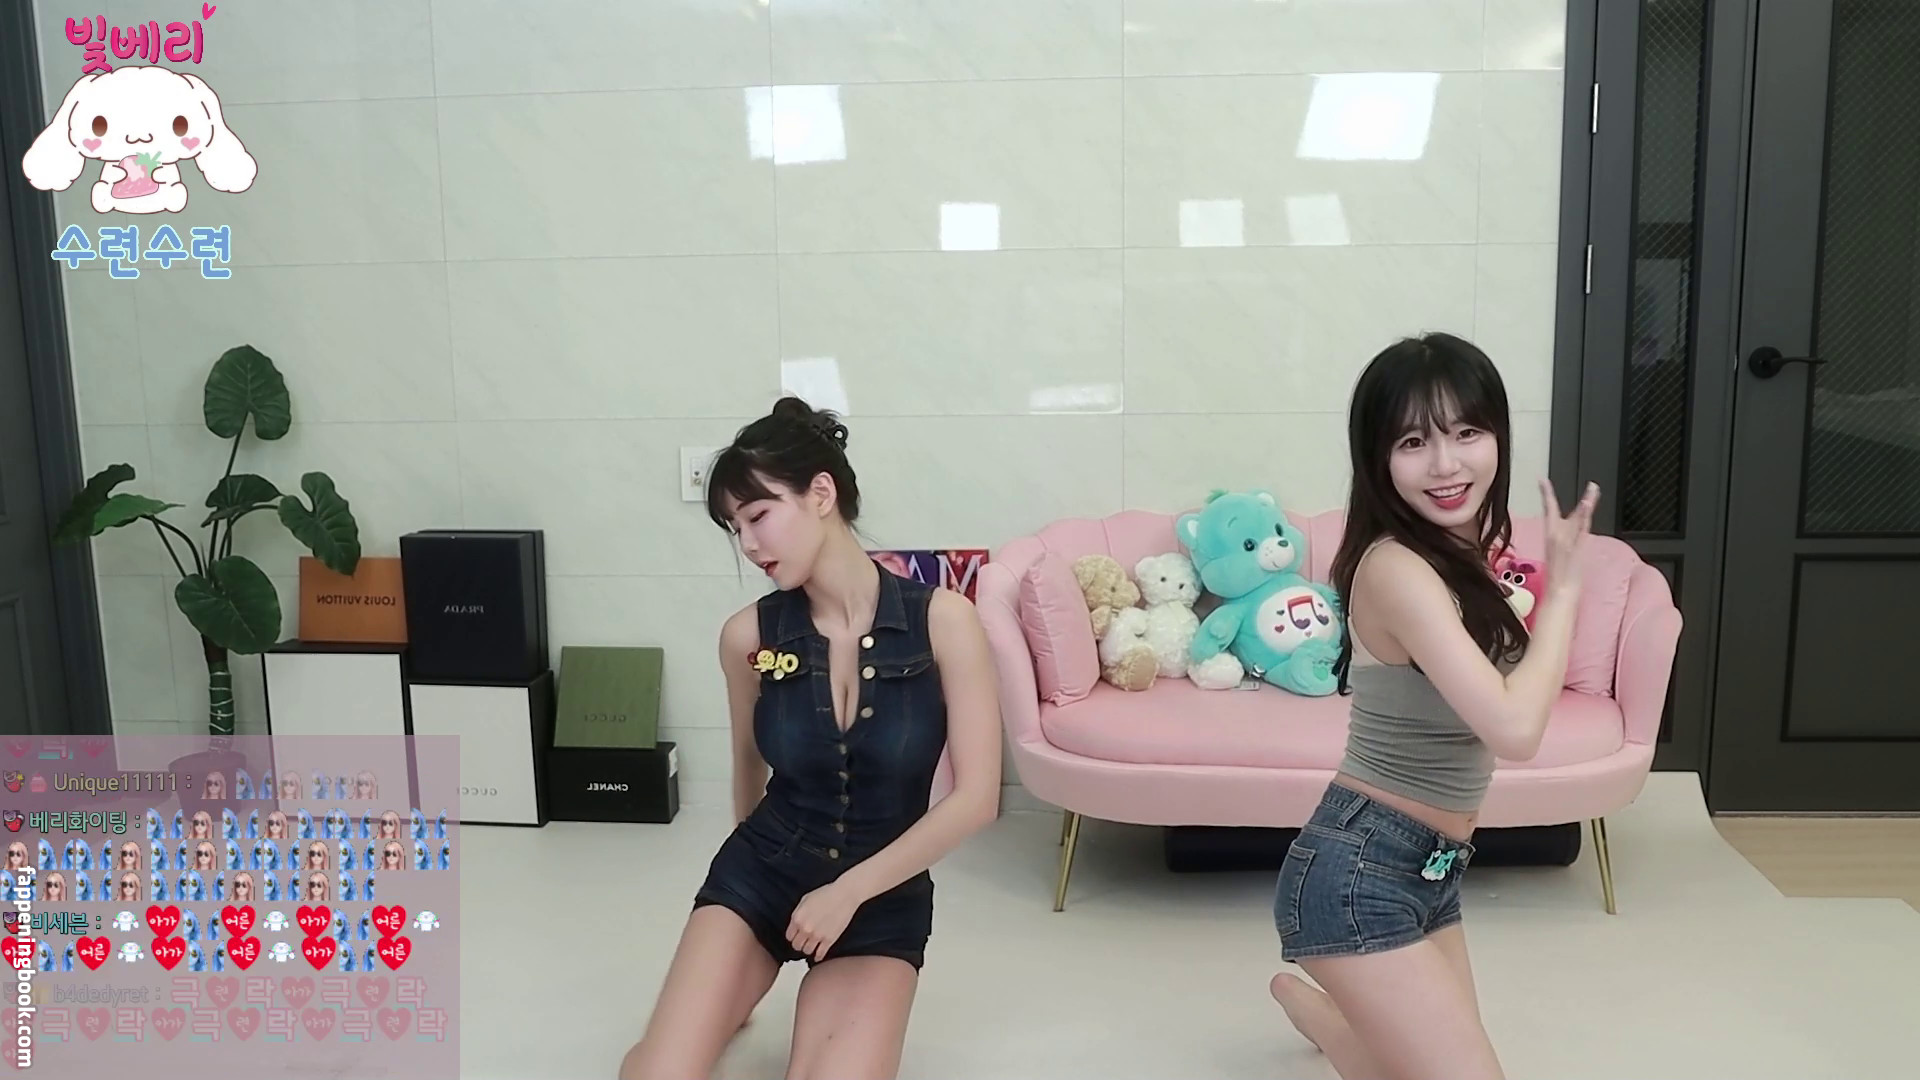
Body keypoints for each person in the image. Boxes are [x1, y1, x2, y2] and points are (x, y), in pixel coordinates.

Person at [619, 396, 1003, 1080]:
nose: (748, 544)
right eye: (734, 527)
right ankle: (726, 995)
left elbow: (976, 799)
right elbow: (747, 763)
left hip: (878, 898)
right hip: (764, 873)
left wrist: (846, 892)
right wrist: (739, 906)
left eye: (758, 515)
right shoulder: (747, 637)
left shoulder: (946, 622)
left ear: (821, 493)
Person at [1268, 332, 1598, 1080]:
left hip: (1432, 872)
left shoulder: (1464, 553)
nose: (1446, 464)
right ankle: (1331, 1000)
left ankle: (1318, 1012)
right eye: (1414, 442)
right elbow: (1514, 729)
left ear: (1498, 438)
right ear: (1378, 460)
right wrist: (1567, 590)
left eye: (1466, 433)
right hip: (1358, 875)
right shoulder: (1397, 568)